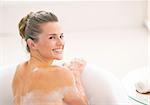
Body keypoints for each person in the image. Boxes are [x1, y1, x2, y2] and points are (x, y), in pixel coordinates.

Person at [12, 11, 89, 105]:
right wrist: (75, 75)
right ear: (32, 44)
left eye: (61, 36)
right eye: (52, 38)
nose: (60, 43)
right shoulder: (60, 74)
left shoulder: (20, 69)